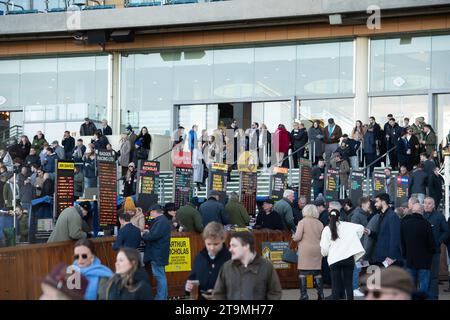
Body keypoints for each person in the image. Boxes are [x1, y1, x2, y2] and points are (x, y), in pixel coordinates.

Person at [212, 232, 282, 300]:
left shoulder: (266, 266)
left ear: (246, 246)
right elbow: (218, 294)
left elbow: (275, 293)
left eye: (234, 246)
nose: (230, 249)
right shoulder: (226, 267)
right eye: (230, 246)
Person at [320, 209, 365, 300]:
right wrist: (354, 239)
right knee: (349, 285)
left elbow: (324, 248)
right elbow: (361, 228)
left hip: (334, 260)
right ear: (339, 217)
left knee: (336, 286)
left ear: (329, 217)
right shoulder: (348, 226)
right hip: (348, 259)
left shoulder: (327, 229)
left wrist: (325, 254)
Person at [185, 222, 231, 299]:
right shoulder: (199, 257)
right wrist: (187, 287)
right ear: (204, 241)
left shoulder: (230, 258)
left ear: (223, 239)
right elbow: (192, 278)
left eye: (216, 244)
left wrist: (220, 294)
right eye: (209, 244)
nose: (212, 248)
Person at [400, 202, 435, 295]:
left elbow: (402, 242)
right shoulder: (426, 224)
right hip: (424, 261)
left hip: (410, 259)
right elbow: (431, 243)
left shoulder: (405, 223)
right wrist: (432, 253)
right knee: (423, 284)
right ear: (421, 211)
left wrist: (405, 255)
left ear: (412, 211)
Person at [292, 204, 324, 300]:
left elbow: (297, 237)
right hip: (318, 249)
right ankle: (321, 294)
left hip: (305, 250)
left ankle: (304, 295)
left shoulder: (302, 222)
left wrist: (293, 237)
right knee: (317, 272)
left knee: (303, 272)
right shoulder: (320, 223)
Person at [142, 204, 171, 300]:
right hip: (160, 252)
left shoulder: (161, 221)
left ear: (154, 211)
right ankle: (163, 296)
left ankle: (160, 297)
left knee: (159, 276)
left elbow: (153, 236)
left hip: (157, 253)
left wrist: (144, 235)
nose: (150, 214)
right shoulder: (162, 220)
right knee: (161, 275)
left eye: (150, 212)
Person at [423, 197, 450, 300]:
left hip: (434, 251)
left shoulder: (439, 216)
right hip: (423, 252)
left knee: (433, 276)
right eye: (425, 203)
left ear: (433, 205)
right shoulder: (421, 216)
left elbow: (446, 231)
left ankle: (433, 297)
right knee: (424, 275)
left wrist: (438, 241)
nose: (427, 205)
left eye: (429, 203)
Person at [365, 193, 402, 267]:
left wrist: (391, 256)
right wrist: (370, 233)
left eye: (377, 201)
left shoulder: (392, 216)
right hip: (381, 257)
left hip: (388, 258)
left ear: (383, 202)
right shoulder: (382, 216)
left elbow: (395, 238)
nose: (375, 204)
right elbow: (382, 236)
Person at [350, 196, 371, 297]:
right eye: (368, 203)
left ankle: (355, 287)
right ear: (363, 204)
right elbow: (354, 232)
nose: (370, 205)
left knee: (358, 267)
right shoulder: (357, 215)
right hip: (357, 246)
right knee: (356, 268)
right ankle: (354, 288)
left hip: (361, 245)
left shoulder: (363, 214)